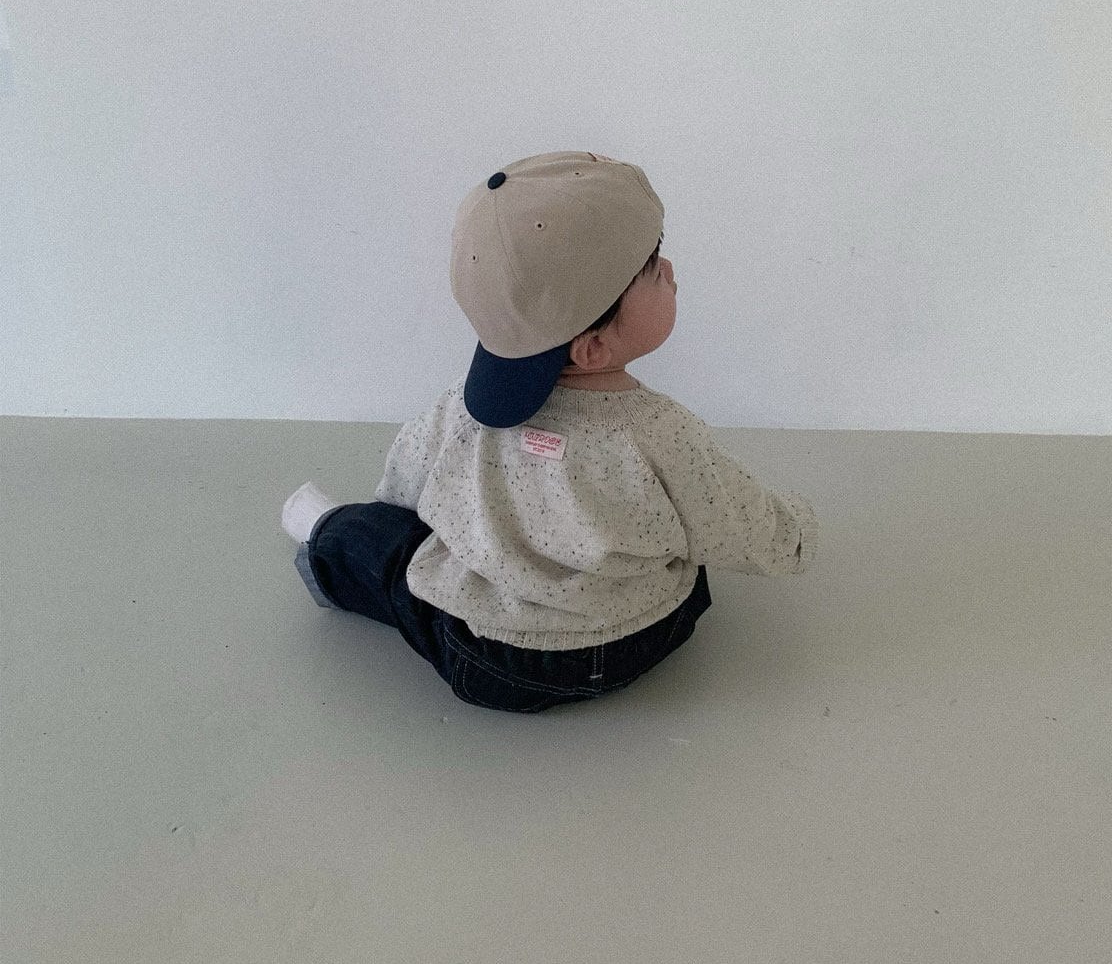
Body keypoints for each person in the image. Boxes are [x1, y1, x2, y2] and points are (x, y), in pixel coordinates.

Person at [281, 150, 818, 713]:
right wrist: (797, 530)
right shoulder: (661, 432)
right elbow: (735, 518)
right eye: (651, 270)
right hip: (647, 632)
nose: (670, 270)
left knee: (394, 559)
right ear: (593, 349)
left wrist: (408, 524)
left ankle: (323, 533)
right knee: (690, 545)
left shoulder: (461, 413)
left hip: (495, 660)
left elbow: (404, 483)